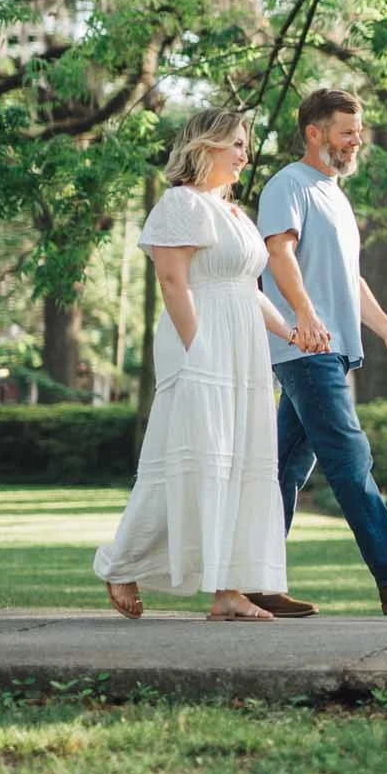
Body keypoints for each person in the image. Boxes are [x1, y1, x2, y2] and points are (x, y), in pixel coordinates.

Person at [95, 109, 306, 622]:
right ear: (205, 145)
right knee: (186, 462)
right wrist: (198, 348)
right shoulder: (181, 204)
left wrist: (290, 331)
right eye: (235, 143)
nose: (244, 154)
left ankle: (228, 591)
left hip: (244, 356)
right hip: (202, 350)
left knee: (236, 466)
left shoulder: (233, 213)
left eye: (244, 145)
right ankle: (121, 563)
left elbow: (247, 289)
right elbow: (173, 282)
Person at [259, 88, 387, 616]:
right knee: (350, 458)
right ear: (315, 133)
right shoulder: (288, 185)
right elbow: (278, 254)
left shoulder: (336, 197)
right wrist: (304, 315)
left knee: (281, 470)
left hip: (333, 348)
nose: (356, 141)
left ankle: (255, 580)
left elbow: (350, 280)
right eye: (347, 132)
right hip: (306, 348)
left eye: (358, 132)